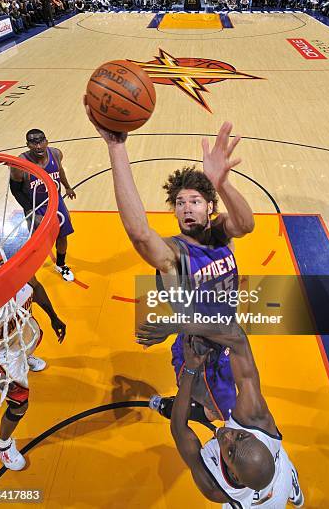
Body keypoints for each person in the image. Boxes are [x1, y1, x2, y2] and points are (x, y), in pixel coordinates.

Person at [84, 97, 255, 418]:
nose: (187, 206)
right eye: (180, 202)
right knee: (222, 414)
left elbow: (246, 224)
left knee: (236, 400)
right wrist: (117, 148)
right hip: (200, 350)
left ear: (210, 207)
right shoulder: (174, 254)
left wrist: (223, 183)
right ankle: (176, 408)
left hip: (228, 335)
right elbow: (140, 233)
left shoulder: (221, 234)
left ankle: (180, 405)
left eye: (196, 200)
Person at [139, 328, 304, 507]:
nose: (226, 435)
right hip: (279, 472)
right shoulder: (257, 421)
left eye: (230, 452)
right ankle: (290, 478)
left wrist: (190, 369)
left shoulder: (215, 487)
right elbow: (238, 339)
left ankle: (288, 483)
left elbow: (178, 428)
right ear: (258, 439)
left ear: (234, 476)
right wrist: (174, 326)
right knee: (280, 468)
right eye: (240, 435)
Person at [0, 275, 66, 470]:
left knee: (34, 337)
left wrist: (53, 316)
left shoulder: (9, 259)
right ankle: (2, 445)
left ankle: (25, 359)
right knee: (19, 402)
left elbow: (35, 286)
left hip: (19, 332)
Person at [10, 129, 76, 281]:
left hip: (56, 202)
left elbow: (59, 171)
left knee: (62, 235)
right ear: (28, 145)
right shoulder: (20, 164)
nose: (38, 146)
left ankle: (61, 265)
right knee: (37, 242)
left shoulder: (56, 154)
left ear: (47, 141)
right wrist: (30, 211)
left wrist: (67, 186)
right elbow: (16, 191)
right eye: (34, 143)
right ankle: (30, 269)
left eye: (41, 141)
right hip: (34, 205)